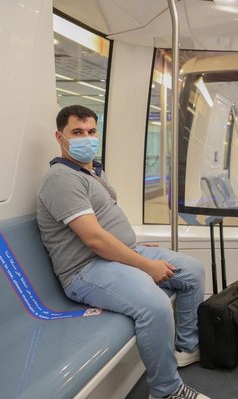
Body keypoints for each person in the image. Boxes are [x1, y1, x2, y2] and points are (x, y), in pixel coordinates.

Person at [37, 105, 209, 399]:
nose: (86, 138)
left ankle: (186, 347)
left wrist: (136, 246)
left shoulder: (92, 171)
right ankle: (167, 391)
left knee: (192, 270)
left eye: (91, 131)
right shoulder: (61, 179)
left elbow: (107, 224)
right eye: (76, 132)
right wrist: (145, 264)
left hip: (120, 253)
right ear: (59, 136)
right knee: (154, 305)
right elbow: (94, 239)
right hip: (87, 270)